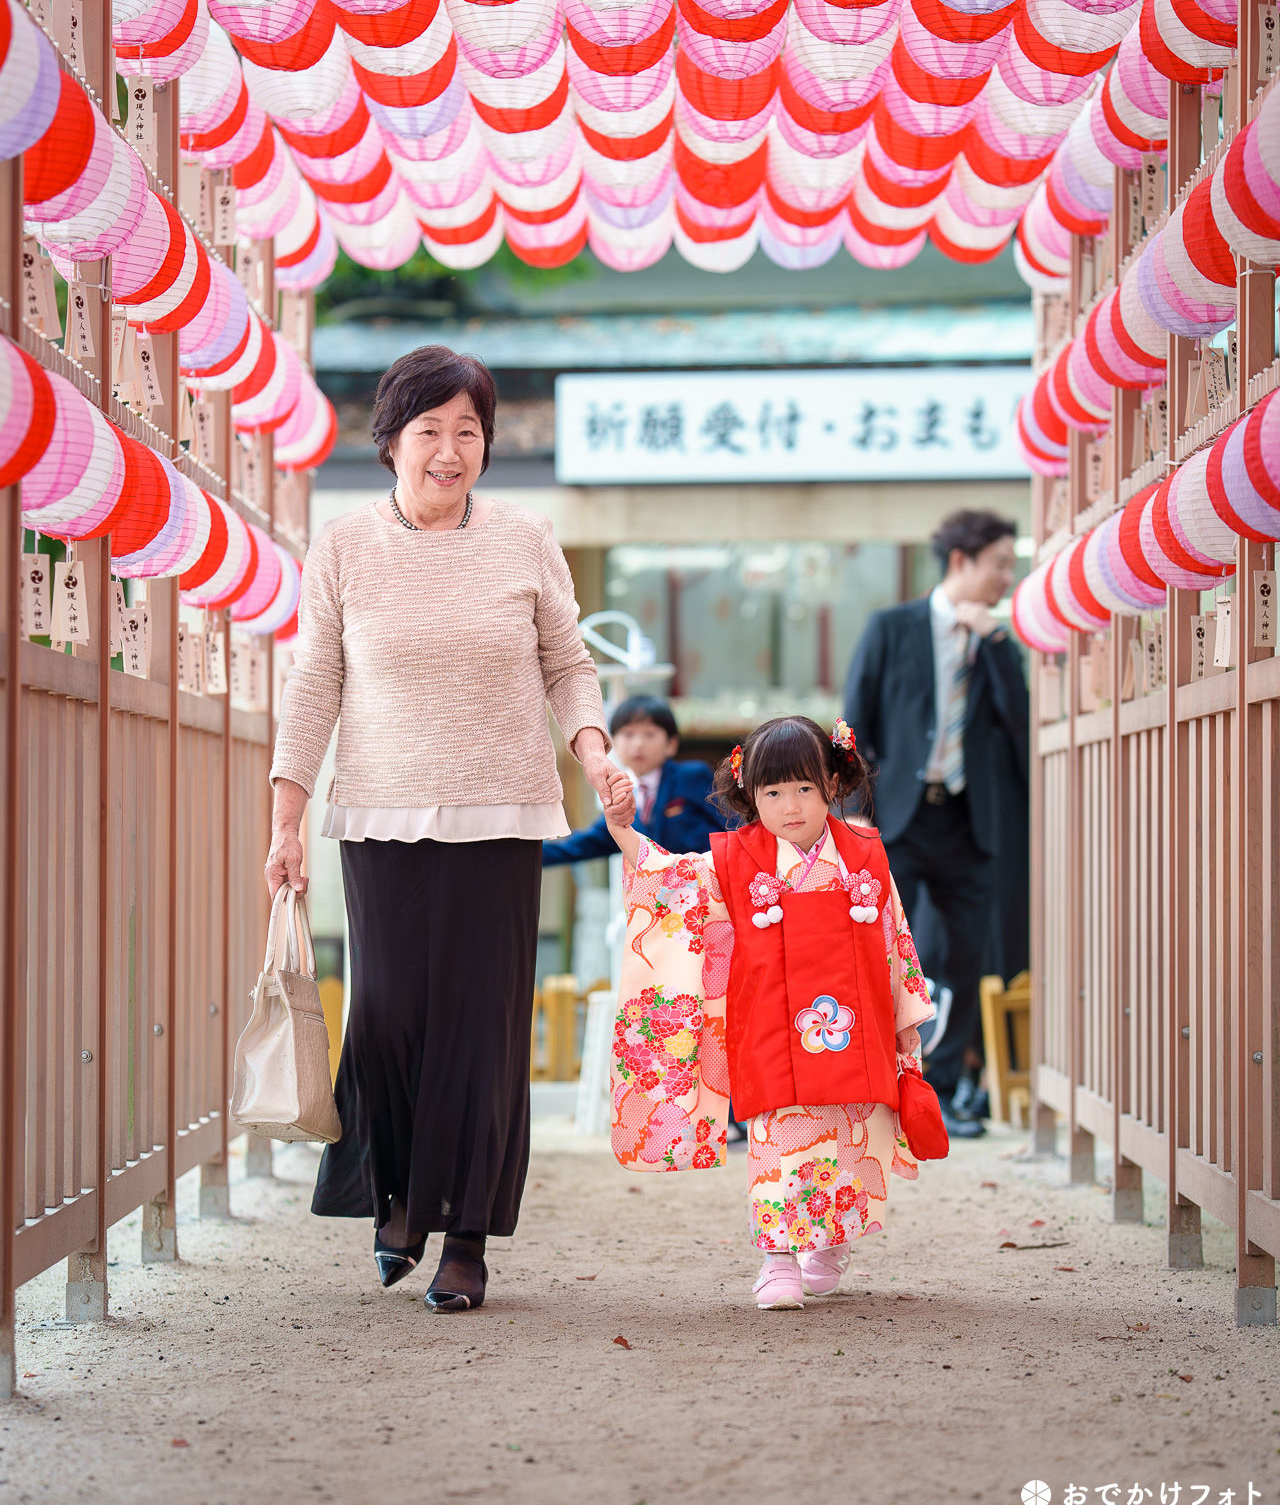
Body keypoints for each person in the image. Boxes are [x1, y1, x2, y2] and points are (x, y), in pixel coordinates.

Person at [265, 345, 630, 1314]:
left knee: (481, 1024)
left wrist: (592, 753)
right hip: (379, 814)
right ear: (389, 440)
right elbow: (314, 684)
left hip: (501, 813)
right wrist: (286, 815)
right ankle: (396, 1199)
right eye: (429, 429)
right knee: (387, 1014)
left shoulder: (524, 536)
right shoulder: (343, 545)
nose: (449, 449)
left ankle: (464, 1236)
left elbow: (567, 662)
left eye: (468, 430)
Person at [604, 716, 940, 1311]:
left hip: (856, 1026)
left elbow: (895, 935)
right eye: (773, 792)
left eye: (805, 788)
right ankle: (778, 1259)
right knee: (780, 1144)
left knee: (853, 1139)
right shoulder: (735, 859)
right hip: (771, 1030)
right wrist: (625, 831)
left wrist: (907, 1016)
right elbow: (670, 883)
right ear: (749, 795)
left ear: (832, 785)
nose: (791, 806)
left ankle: (832, 1244)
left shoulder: (865, 853)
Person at [842, 508, 1028, 1139]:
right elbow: (854, 724)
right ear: (961, 562)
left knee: (963, 954)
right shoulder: (891, 627)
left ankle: (940, 1094)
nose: (1007, 576)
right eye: (1000, 562)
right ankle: (872, 1084)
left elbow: (1018, 724)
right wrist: (860, 810)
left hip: (971, 822)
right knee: (885, 950)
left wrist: (996, 644)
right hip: (898, 816)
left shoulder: (998, 642)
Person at [542, 695, 728, 868]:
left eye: (650, 734)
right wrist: (523, 853)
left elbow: (735, 825)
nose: (638, 743)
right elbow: (578, 847)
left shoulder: (692, 776)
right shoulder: (622, 793)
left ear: (671, 744)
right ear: (612, 742)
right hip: (660, 901)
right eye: (628, 734)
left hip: (710, 888)